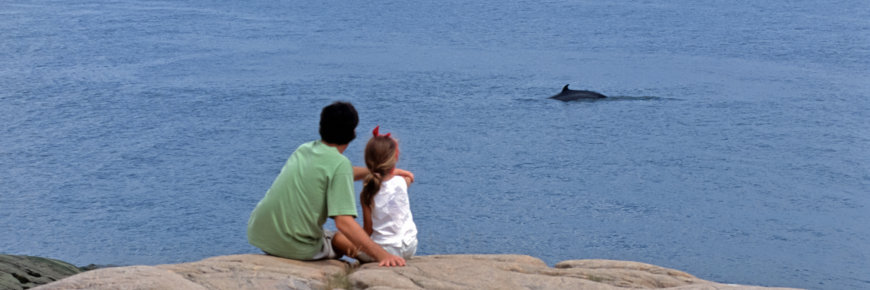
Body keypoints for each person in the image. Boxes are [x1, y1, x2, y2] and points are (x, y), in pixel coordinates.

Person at [246, 101, 411, 267]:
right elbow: (343, 222)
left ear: (322, 126)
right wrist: (382, 255)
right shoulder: (340, 164)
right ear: (351, 133)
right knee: (339, 239)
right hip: (296, 247)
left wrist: (373, 172)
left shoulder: (304, 149)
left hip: (262, 235)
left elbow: (333, 173)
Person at [355, 126, 418, 263]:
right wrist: (395, 172)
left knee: (341, 240)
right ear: (394, 159)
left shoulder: (367, 192)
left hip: (385, 250)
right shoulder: (401, 182)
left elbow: (368, 230)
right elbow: (409, 176)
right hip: (409, 246)